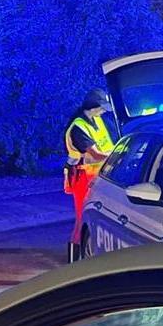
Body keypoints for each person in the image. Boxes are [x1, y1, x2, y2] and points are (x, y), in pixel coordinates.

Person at [65, 88, 115, 261]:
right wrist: (119, 156)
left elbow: (107, 144)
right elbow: (95, 154)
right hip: (82, 177)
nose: (102, 111)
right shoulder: (78, 127)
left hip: (98, 176)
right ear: (92, 106)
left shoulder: (97, 120)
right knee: (81, 219)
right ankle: (73, 263)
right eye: (101, 108)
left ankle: (86, 259)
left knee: (95, 218)